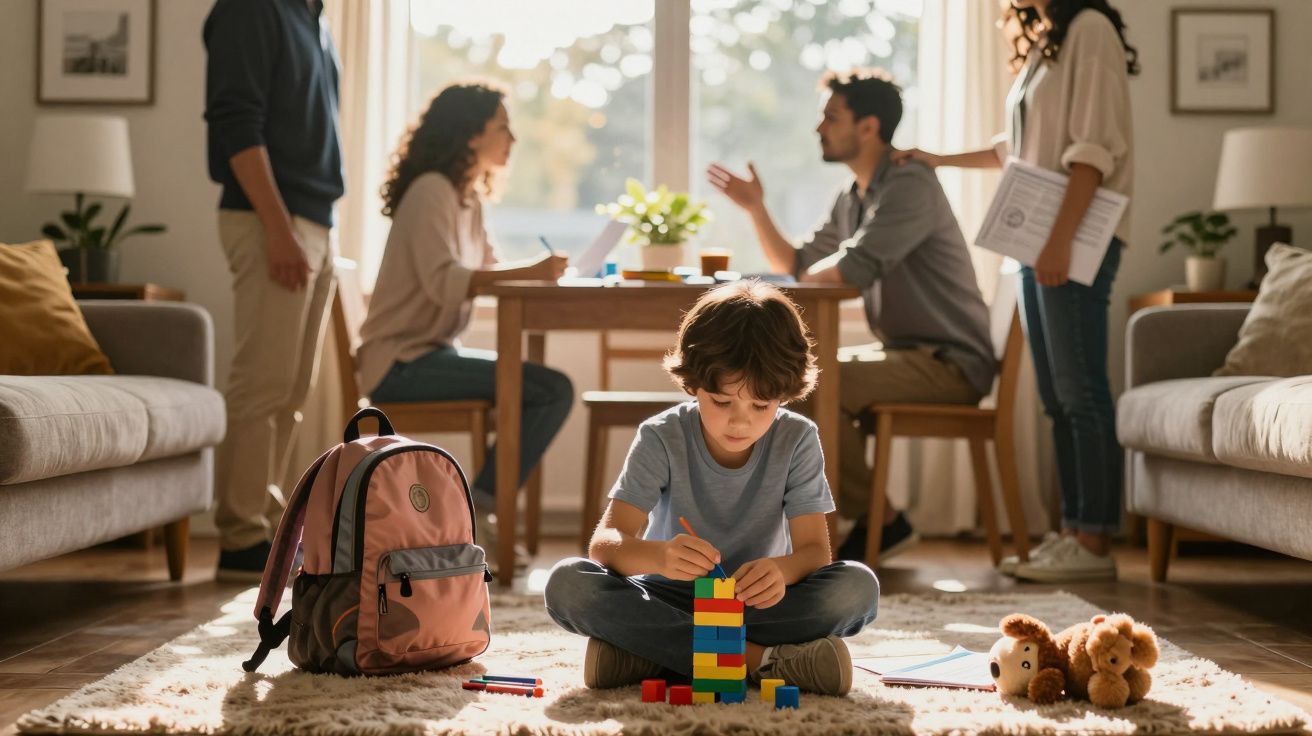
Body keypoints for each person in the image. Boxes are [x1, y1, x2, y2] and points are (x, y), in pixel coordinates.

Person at [706, 69, 996, 562]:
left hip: (950, 362)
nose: (820, 128)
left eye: (831, 117)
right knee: (798, 380)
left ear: (869, 127)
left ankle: (873, 521)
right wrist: (757, 210)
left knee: (810, 384)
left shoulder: (910, 184)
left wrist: (787, 280)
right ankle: (875, 518)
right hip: (904, 354)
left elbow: (852, 269)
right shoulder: (851, 196)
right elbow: (800, 265)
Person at [895, 0, 1137, 582]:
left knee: (1082, 391)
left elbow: (1092, 151)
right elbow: (1022, 148)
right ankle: (1074, 531)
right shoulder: (1045, 40)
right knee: (1055, 395)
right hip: (1039, 242)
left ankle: (1095, 541)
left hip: (1072, 239)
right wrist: (939, 158)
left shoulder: (1091, 30)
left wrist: (1058, 241)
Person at [543, 281, 878, 696]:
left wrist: (780, 570)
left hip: (757, 603)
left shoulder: (798, 439)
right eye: (722, 402)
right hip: (671, 596)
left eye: (761, 406)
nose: (740, 423)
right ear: (693, 384)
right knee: (569, 583)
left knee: (856, 588)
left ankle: (646, 655)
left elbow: (815, 551)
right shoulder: (662, 436)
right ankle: (757, 661)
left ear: (785, 396)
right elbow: (606, 543)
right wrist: (661, 556)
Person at [357, 81, 572, 562]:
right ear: (472, 135)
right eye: (503, 127)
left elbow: (490, 273)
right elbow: (446, 282)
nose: (512, 139)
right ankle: (476, 509)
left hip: (431, 354)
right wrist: (531, 271)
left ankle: (475, 509)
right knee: (551, 389)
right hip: (398, 364)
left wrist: (541, 277)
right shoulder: (430, 191)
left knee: (545, 388)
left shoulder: (468, 198)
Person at [204, 0, 344, 581]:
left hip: (312, 220)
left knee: (289, 390)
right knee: (262, 382)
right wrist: (279, 228)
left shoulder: (313, 18)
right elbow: (236, 121)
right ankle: (239, 537)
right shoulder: (250, 8)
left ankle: (264, 526)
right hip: (274, 221)